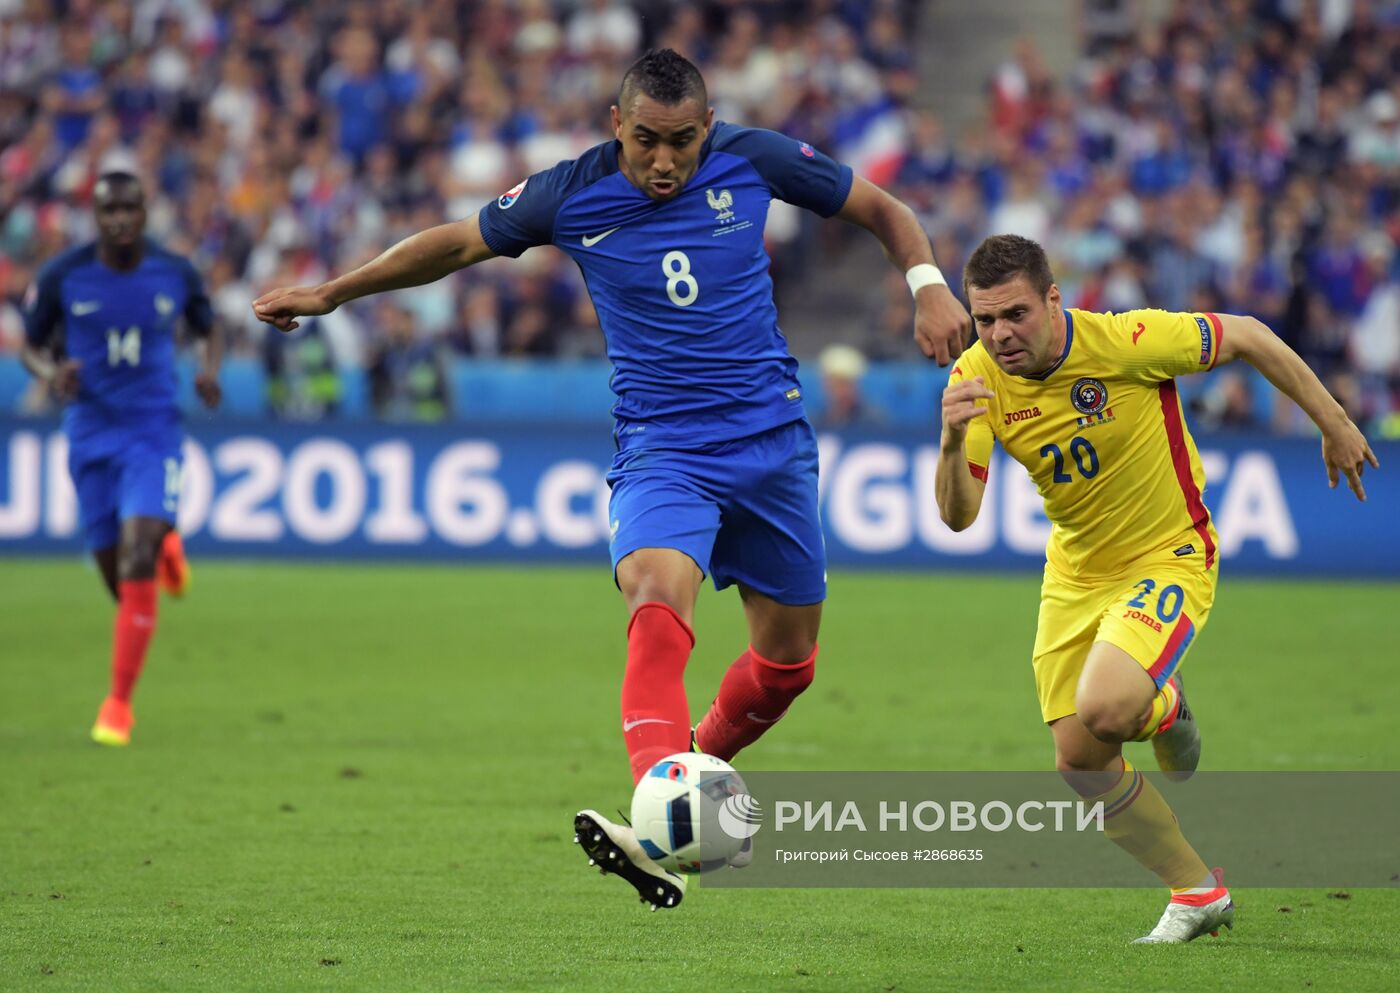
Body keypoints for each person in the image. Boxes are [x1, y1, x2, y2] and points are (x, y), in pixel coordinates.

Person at [253, 49, 969, 910]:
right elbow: (452, 244)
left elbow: (880, 208)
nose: (662, 162)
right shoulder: (569, 191)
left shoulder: (755, 158)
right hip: (663, 447)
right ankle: (664, 799)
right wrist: (334, 292)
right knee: (657, 601)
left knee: (788, 667)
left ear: (707, 128)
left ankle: (670, 802)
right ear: (615, 127)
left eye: (679, 143)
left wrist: (927, 284)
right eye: (644, 142)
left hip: (772, 441)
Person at [935, 234, 1378, 944]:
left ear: (1054, 299)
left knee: (1108, 705)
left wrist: (1333, 422)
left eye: (1014, 314)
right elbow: (959, 517)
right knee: (1080, 760)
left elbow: (1250, 334)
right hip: (1076, 572)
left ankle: (1159, 704)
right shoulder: (976, 377)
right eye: (984, 319)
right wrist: (954, 441)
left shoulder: (1125, 340)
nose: (999, 335)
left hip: (1167, 553)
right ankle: (1197, 889)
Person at [22, 171, 223, 746]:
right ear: (96, 214)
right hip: (89, 434)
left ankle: (117, 705)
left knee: (134, 557)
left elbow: (211, 328)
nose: (120, 219)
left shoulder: (175, 272)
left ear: (144, 211)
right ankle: (166, 547)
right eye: (109, 210)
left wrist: (209, 371)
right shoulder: (64, 275)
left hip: (152, 430)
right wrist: (50, 372)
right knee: (120, 579)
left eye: (129, 208)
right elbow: (31, 345)